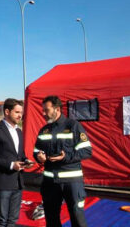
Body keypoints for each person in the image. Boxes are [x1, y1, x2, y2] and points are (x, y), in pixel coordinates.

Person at [33, 95, 92, 227]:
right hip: (50, 183)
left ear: (57, 109)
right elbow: (36, 151)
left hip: (71, 182)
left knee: (77, 218)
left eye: (46, 110)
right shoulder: (44, 130)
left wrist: (65, 157)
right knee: (51, 218)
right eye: (43, 110)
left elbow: (86, 151)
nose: (43, 113)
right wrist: (39, 156)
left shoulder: (73, 126)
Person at [0, 99, 33, 227]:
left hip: (17, 182)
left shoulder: (18, 131)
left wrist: (26, 161)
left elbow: (19, 154)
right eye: (17, 112)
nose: (20, 115)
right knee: (2, 219)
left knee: (13, 220)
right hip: (2, 182)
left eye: (21, 112)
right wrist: (11, 165)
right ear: (7, 111)